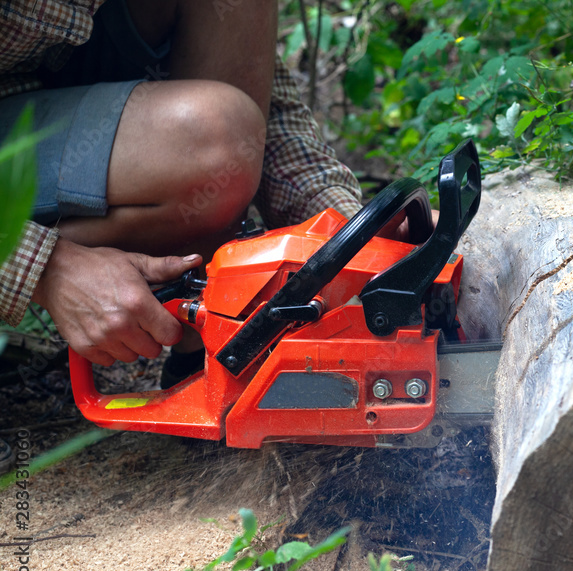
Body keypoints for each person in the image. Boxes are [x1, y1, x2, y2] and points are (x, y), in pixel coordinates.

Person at [0, 0, 365, 375]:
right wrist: (50, 269)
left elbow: (265, 114)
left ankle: (209, 342)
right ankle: (193, 312)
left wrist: (353, 232)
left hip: (48, 89)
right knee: (214, 134)